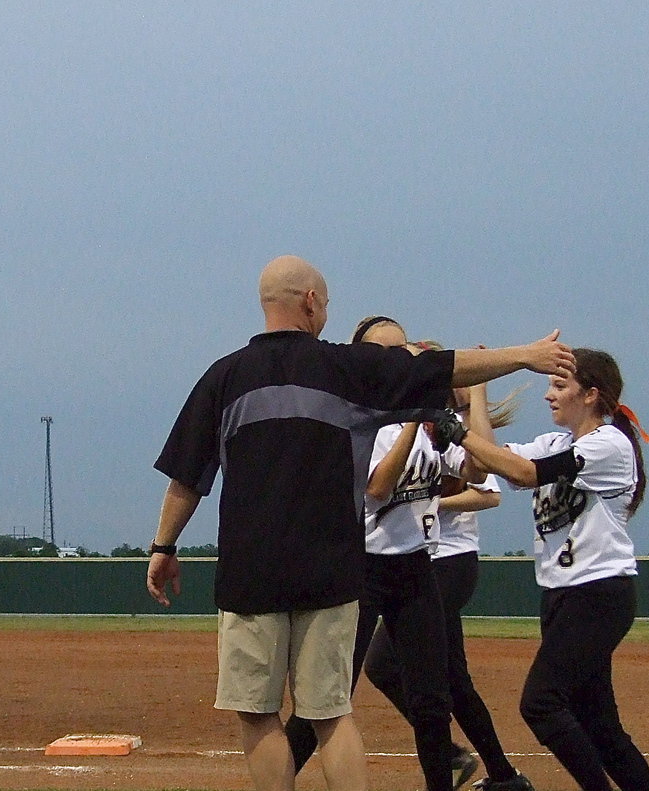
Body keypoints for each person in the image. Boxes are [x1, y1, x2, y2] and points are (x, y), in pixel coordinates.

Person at [146, 254, 575, 791]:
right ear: (311, 301)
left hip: (250, 571)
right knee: (330, 714)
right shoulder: (346, 368)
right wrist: (527, 356)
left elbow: (186, 479)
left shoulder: (223, 377)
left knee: (258, 714)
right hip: (332, 569)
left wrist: (164, 545)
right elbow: (443, 368)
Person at [281, 316, 500, 791]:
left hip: (415, 567)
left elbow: (481, 470)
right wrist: (411, 421)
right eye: (384, 350)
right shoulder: (356, 420)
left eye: (402, 349)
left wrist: (475, 399)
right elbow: (378, 487)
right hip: (360, 571)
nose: (396, 359)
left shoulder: (428, 424)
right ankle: (275, 782)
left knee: (431, 700)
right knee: (326, 696)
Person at [429, 348, 649, 791]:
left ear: (591, 395)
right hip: (561, 595)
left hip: (598, 593)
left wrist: (459, 432)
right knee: (601, 727)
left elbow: (524, 473)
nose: (548, 396)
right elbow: (483, 464)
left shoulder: (609, 444)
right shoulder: (556, 442)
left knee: (541, 703)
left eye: (559, 386)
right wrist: (475, 396)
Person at [362, 341, 532, 791]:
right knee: (447, 677)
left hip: (446, 560)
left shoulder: (449, 429)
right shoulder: (412, 426)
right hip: (421, 560)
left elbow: (487, 489)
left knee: (413, 672)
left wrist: (432, 497)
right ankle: (497, 771)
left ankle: (470, 762)